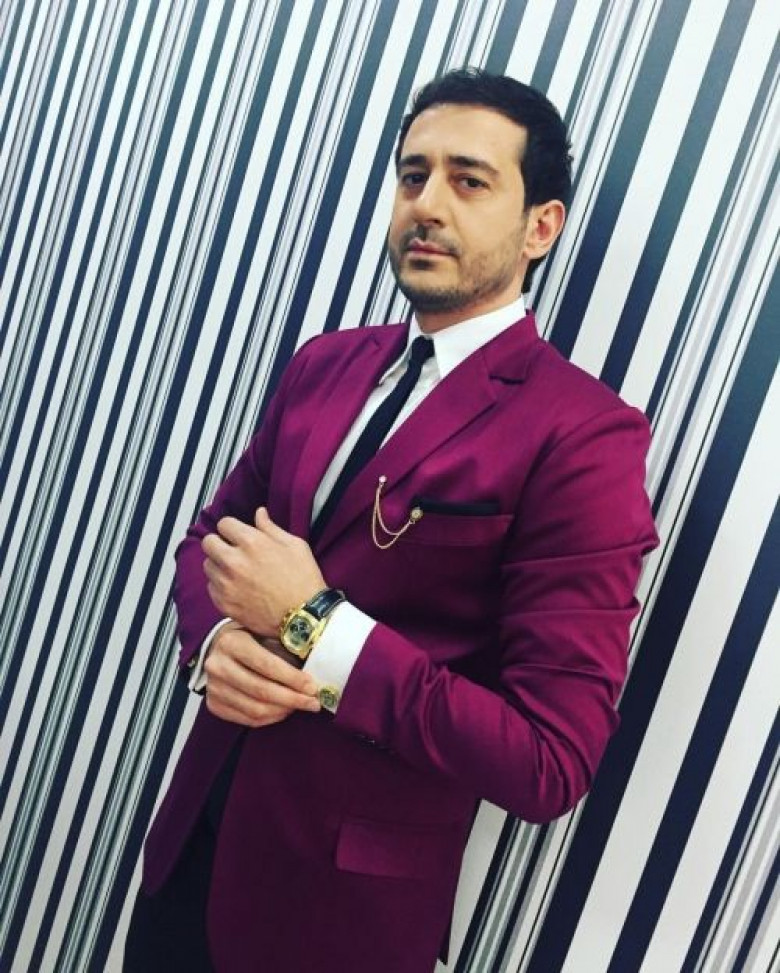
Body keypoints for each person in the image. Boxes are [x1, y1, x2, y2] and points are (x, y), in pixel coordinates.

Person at [125, 68, 658, 973]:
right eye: (414, 175)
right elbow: (214, 536)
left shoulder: (582, 435)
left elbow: (549, 760)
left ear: (541, 227)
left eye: (469, 180)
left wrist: (314, 625)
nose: (427, 205)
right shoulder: (325, 364)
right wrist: (214, 641)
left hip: (342, 924)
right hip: (192, 855)